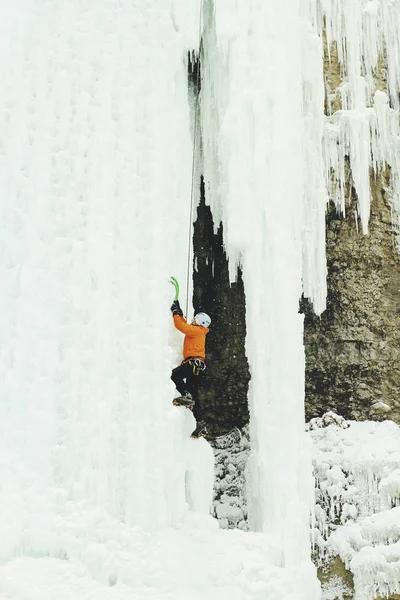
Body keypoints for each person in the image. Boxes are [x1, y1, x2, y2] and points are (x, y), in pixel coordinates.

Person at [170, 299, 211, 438]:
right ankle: (201, 425)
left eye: (195, 319)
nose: (193, 320)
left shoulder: (197, 331)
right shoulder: (199, 332)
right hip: (198, 367)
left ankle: (185, 395)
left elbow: (181, 326)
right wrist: (180, 313)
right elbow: (185, 325)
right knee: (195, 395)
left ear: (200, 322)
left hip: (192, 363)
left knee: (174, 375)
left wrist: (176, 313)